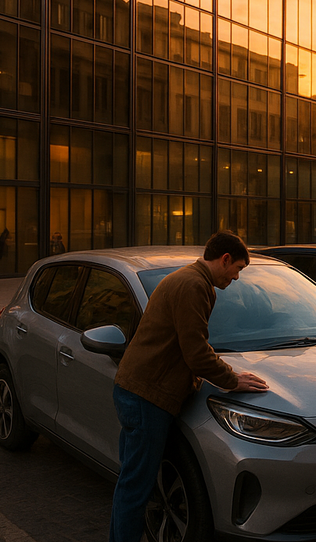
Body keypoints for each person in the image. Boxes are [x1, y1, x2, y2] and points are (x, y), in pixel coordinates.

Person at [108, 231, 269, 542]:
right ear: (225, 260)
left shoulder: (187, 279)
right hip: (147, 396)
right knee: (136, 487)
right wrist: (232, 379)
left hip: (136, 390)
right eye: (237, 269)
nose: (236, 278)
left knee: (130, 483)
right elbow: (196, 352)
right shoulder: (194, 285)